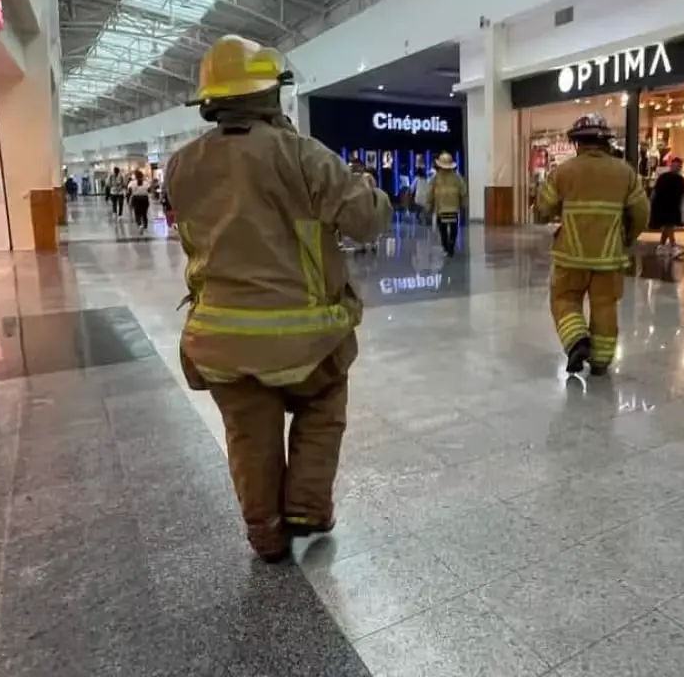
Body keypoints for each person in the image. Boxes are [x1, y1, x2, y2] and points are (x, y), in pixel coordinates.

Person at [164, 34, 391, 562]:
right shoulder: (302, 155)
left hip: (218, 337)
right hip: (304, 337)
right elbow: (367, 220)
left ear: (210, 102)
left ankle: (265, 531)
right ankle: (309, 507)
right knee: (322, 403)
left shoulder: (181, 166)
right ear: (272, 94)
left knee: (248, 434)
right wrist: (368, 186)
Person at [536, 114, 650, 375]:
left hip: (570, 256)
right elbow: (642, 214)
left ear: (577, 143)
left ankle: (576, 340)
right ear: (605, 141)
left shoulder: (562, 172)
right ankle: (600, 361)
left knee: (564, 298)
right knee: (605, 304)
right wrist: (627, 237)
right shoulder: (625, 172)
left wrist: (551, 213)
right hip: (609, 257)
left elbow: (543, 207)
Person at [426, 152, 466, 256]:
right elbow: (463, 192)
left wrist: (429, 206)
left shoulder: (436, 178)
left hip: (440, 208)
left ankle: (445, 247)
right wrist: (463, 205)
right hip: (453, 208)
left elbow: (430, 192)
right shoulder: (457, 178)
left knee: (443, 229)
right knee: (453, 228)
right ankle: (451, 247)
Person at [649, 158, 684, 256]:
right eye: (674, 166)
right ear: (671, 166)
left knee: (667, 225)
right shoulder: (665, 177)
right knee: (669, 225)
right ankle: (673, 246)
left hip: (671, 205)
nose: (676, 168)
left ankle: (661, 246)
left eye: (678, 166)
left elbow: (682, 195)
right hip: (664, 205)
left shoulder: (679, 179)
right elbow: (655, 191)